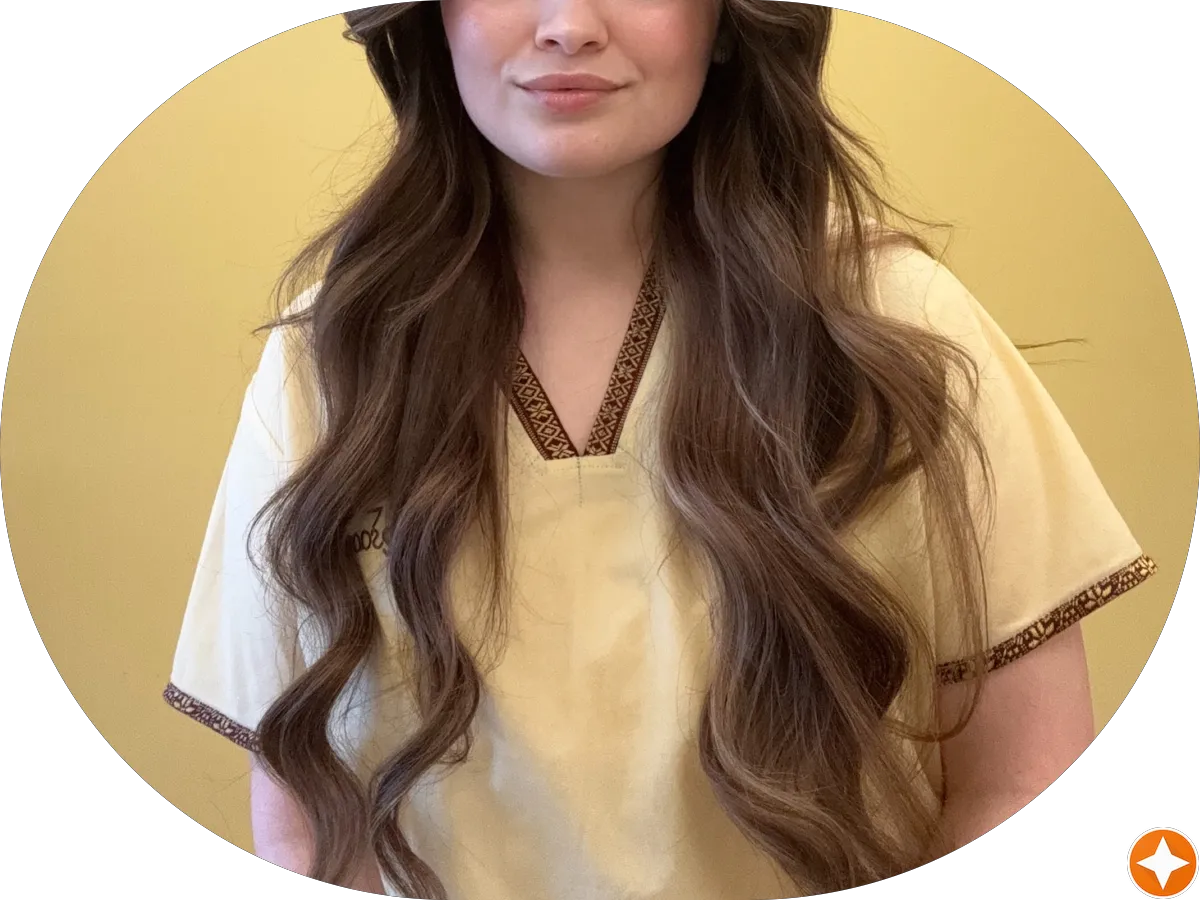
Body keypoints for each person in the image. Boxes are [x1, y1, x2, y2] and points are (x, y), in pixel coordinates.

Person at [162, 3, 1157, 898]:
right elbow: (307, 833)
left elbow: (1022, 774)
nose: (568, 24)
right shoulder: (332, 359)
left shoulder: (896, 329)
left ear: (729, 19)